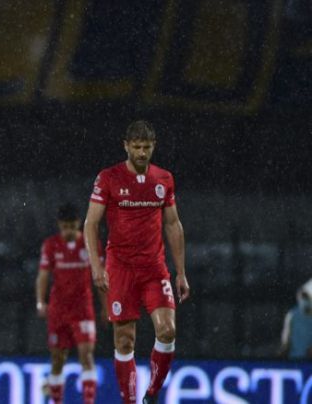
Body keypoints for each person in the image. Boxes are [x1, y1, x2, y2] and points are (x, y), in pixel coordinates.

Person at [83, 120, 190, 404]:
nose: (142, 153)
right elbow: (91, 224)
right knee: (124, 340)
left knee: (168, 330)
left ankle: (151, 395)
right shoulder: (108, 178)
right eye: (137, 147)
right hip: (121, 269)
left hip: (154, 269)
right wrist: (96, 266)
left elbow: (173, 224)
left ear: (153, 147)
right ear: (126, 147)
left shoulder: (163, 179)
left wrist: (180, 272)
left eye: (147, 147)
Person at [36, 203, 106, 404]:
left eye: (72, 226)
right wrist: (41, 302)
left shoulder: (89, 244)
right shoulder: (51, 245)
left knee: (86, 355)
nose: (68, 231)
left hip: (83, 308)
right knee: (58, 359)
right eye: (64, 227)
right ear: (59, 225)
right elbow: (43, 276)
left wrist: (106, 305)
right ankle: (57, 401)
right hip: (58, 309)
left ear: (78, 224)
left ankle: (88, 402)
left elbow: (100, 277)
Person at [280, 278, 312, 359]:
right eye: (303, 296)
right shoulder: (292, 314)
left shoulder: (292, 313)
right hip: (296, 359)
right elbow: (285, 340)